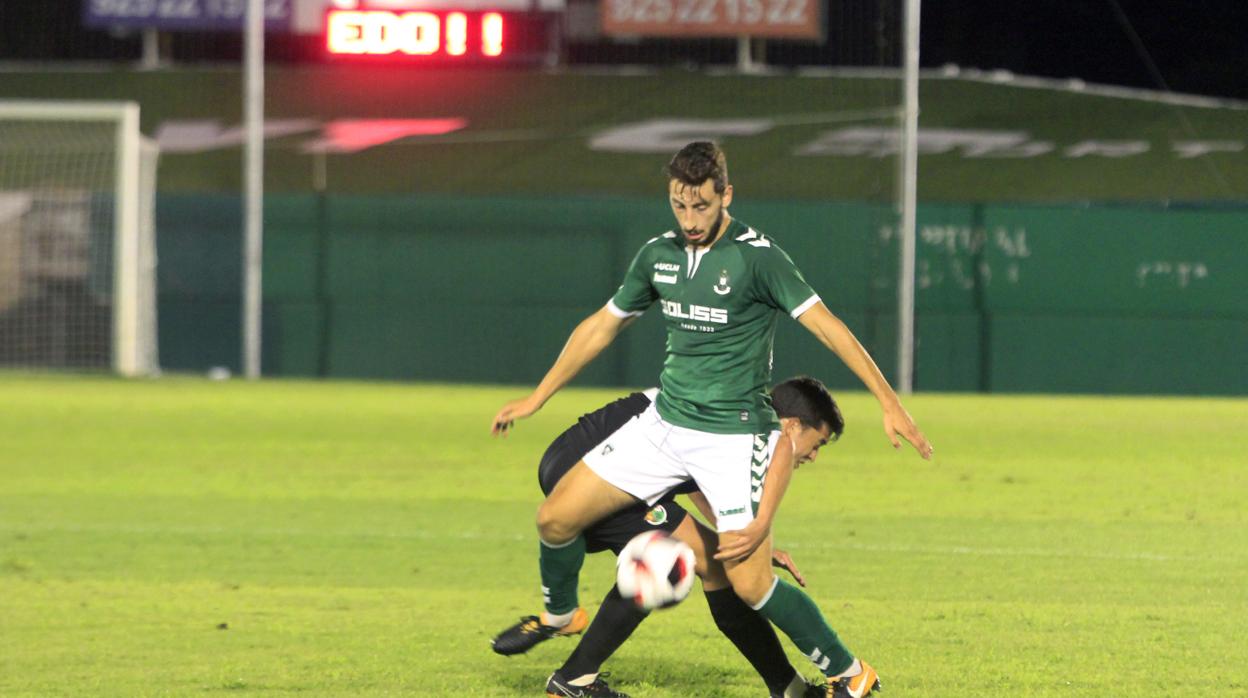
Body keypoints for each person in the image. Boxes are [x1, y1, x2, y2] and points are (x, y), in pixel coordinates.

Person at [491, 141, 933, 698]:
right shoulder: (658, 255)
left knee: (749, 582)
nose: (691, 219)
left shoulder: (758, 257)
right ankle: (559, 617)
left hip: (731, 434)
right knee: (554, 520)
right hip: (664, 425)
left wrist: (889, 401)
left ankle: (850, 673)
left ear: (726, 194)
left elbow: (829, 327)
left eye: (702, 206)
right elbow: (601, 326)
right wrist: (538, 397)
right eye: (680, 205)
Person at [495, 378, 844, 698]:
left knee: (707, 567)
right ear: (792, 424)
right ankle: (574, 678)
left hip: (572, 459)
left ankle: (568, 655)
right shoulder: (742, 430)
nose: (813, 455)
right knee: (663, 564)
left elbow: (695, 482)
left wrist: (745, 540)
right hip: (588, 472)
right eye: (818, 443)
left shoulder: (729, 413)